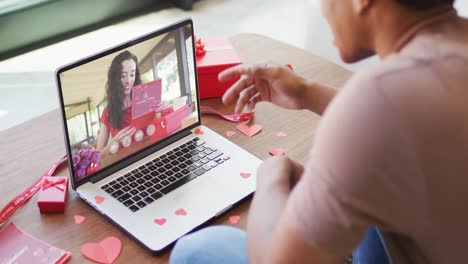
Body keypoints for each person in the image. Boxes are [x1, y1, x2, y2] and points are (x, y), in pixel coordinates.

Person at [169, 0, 468, 263]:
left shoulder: (377, 101)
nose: (322, 9)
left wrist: (272, 174)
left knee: (195, 250)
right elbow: (406, 120)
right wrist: (307, 93)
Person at [96, 50, 141, 155]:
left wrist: (160, 112)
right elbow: (98, 156)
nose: (128, 80)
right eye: (123, 75)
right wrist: (114, 142)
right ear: (115, 78)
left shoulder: (144, 99)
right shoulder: (108, 112)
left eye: (132, 74)